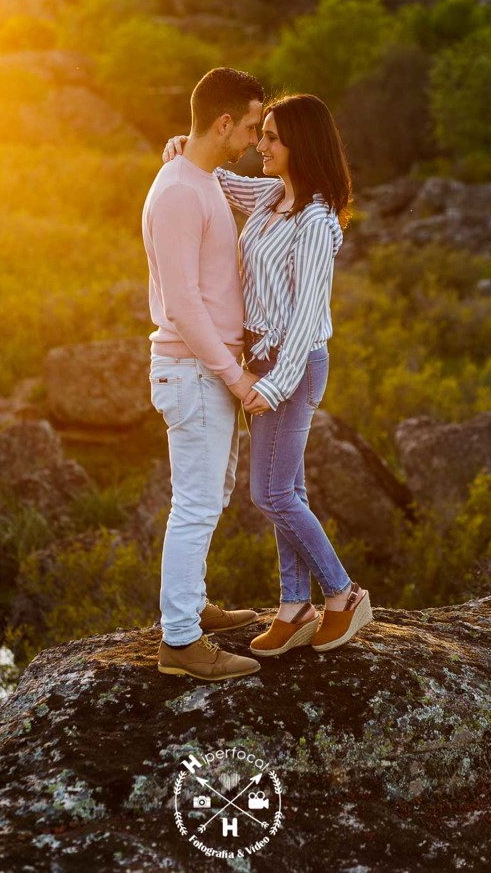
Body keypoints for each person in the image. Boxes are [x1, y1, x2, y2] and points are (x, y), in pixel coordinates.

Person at [163, 94, 373, 659]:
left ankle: (343, 594)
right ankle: (293, 606)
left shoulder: (316, 218)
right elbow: (221, 183)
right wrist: (185, 150)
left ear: (299, 147)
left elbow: (308, 315)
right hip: (263, 360)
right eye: (263, 133)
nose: (262, 144)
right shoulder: (273, 195)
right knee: (290, 488)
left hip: (293, 367)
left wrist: (274, 384)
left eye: (273, 137)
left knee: (272, 492)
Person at [142, 67, 266, 682]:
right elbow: (185, 305)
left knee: (209, 496)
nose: (253, 138)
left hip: (206, 371)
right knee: (193, 504)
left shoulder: (198, 178)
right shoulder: (178, 193)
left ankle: (191, 607)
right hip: (193, 371)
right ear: (223, 123)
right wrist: (235, 377)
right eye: (248, 126)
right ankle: (182, 642)